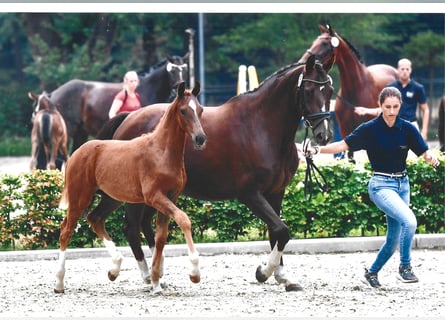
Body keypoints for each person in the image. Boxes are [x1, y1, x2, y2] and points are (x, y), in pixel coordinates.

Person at [306, 87, 439, 288]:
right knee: (410, 222)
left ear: (400, 105)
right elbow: (342, 145)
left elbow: (424, 151)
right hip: (380, 186)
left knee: (393, 240)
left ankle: (372, 272)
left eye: (396, 107)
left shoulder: (408, 128)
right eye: (388, 107)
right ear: (380, 106)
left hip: (403, 185)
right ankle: (405, 267)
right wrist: (317, 149)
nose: (392, 111)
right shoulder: (369, 129)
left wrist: (430, 158)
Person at [355, 58, 430, 140]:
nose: (405, 71)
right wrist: (366, 110)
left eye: (407, 69)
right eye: (402, 69)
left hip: (411, 124)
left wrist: (424, 130)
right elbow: (382, 109)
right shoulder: (390, 87)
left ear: (410, 70)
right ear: (398, 70)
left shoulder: (418, 88)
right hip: (393, 125)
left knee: (419, 151)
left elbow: (425, 109)